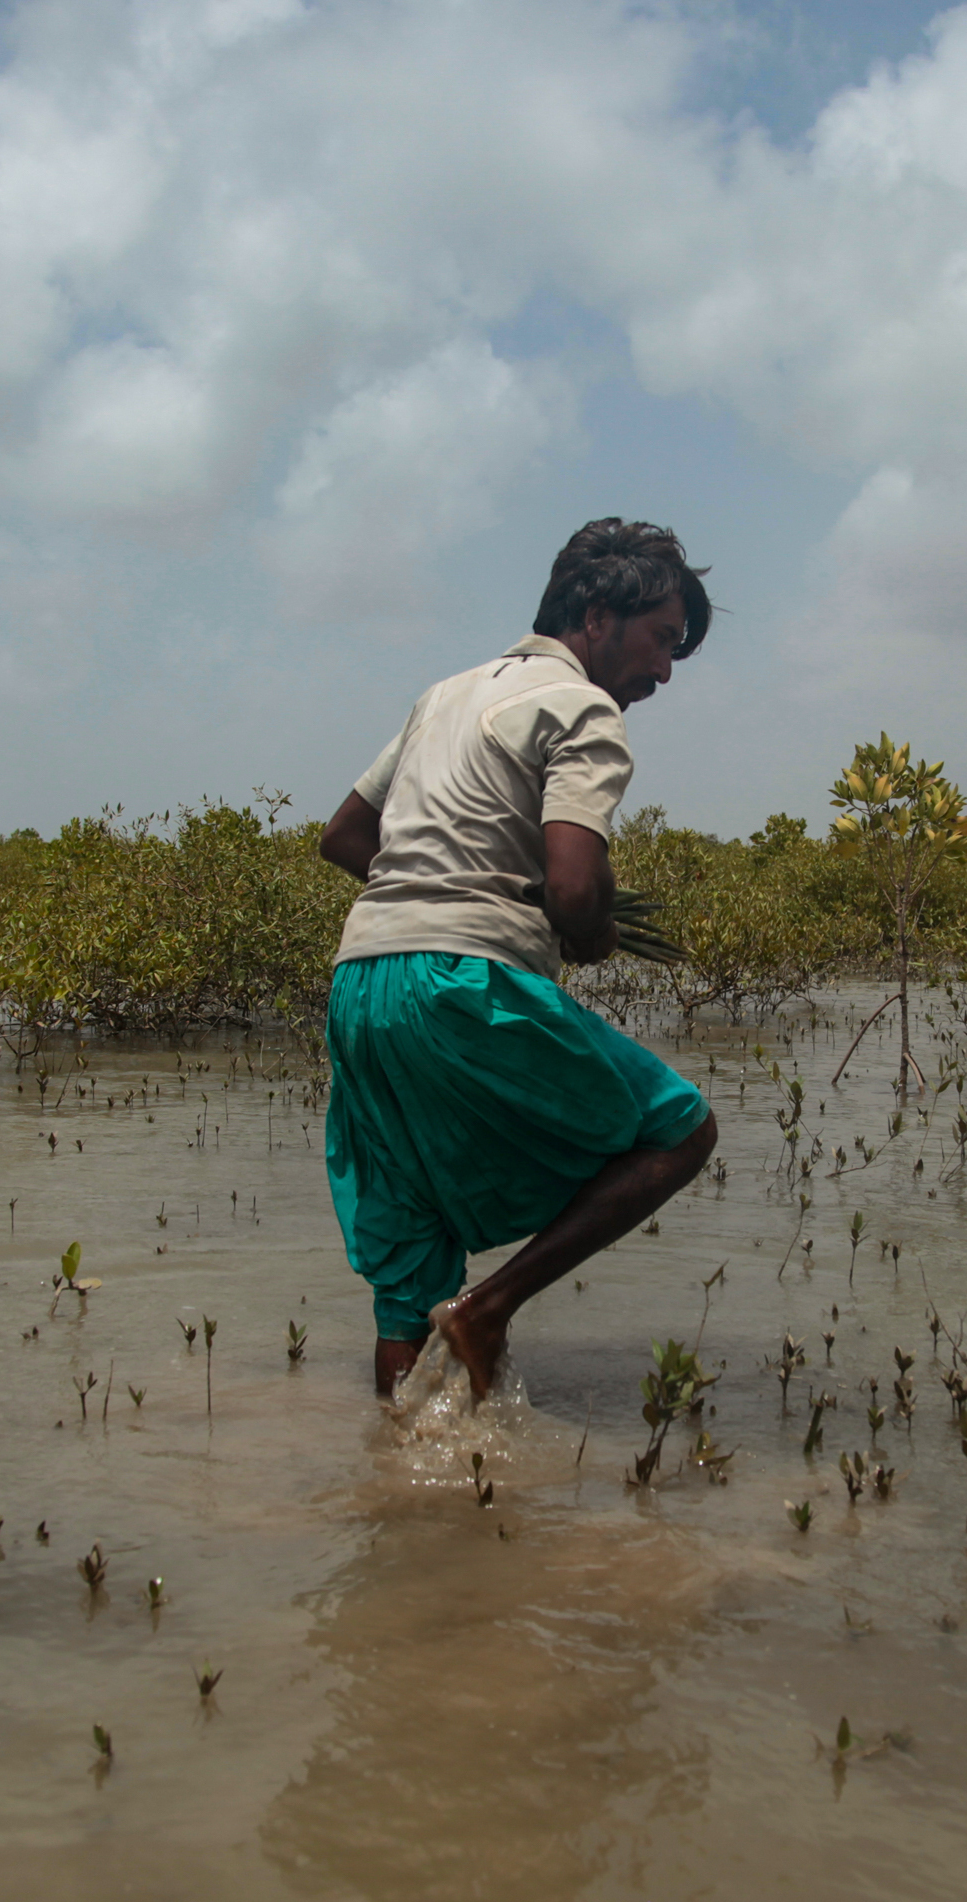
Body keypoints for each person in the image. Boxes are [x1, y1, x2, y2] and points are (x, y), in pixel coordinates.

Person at [317, 518, 721, 1400]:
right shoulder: (584, 710)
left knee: (409, 1249)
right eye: (660, 640)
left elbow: (346, 836)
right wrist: (587, 929)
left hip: (362, 985)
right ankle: (489, 1308)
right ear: (595, 611)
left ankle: (411, 1478)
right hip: (459, 983)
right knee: (682, 1130)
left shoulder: (446, 693)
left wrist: (448, 888)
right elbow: (577, 896)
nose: (663, 670)